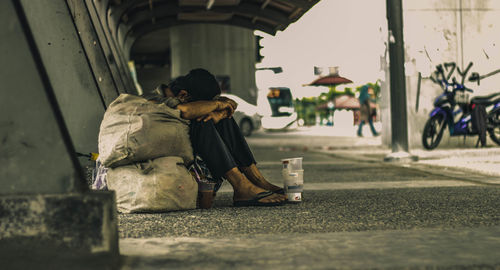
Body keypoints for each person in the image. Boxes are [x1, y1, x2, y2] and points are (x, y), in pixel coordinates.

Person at [144, 68, 286, 207]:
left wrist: (221, 113)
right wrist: (217, 106)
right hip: (175, 162)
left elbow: (230, 104)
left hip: (196, 162)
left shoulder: (181, 97)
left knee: (223, 119)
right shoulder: (153, 101)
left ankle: (257, 180)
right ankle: (241, 185)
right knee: (202, 120)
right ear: (183, 95)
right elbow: (187, 111)